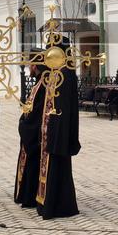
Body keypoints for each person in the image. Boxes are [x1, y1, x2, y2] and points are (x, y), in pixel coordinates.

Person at [36, 37, 81, 220]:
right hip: (50, 129)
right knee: (51, 167)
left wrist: (58, 133)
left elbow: (65, 107)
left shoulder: (66, 74)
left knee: (57, 167)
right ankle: (48, 203)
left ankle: (58, 206)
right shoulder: (55, 72)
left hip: (58, 131)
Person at [14, 55, 47, 208]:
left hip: (36, 134)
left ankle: (31, 197)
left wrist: (25, 125)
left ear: (35, 66)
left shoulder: (44, 84)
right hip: (32, 130)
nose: (29, 68)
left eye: (30, 65)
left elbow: (39, 111)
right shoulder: (39, 82)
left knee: (34, 164)